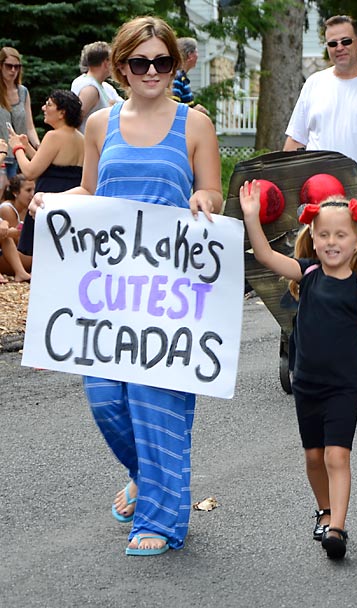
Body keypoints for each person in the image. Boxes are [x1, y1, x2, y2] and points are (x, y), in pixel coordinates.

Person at [29, 16, 222, 556]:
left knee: (156, 405)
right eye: (141, 62)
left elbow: (211, 190)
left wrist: (206, 201)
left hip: (169, 291)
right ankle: (147, 477)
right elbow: (91, 191)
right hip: (108, 291)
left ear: (173, 65)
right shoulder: (99, 124)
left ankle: (159, 520)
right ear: (122, 67)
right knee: (105, 399)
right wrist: (57, 204)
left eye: (163, 61)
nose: (153, 71)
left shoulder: (196, 125)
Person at [239, 181, 357, 560]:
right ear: (313, 238)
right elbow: (266, 256)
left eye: (341, 234)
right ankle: (323, 509)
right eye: (324, 235)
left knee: (338, 456)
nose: (332, 242)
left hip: (343, 387)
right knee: (314, 457)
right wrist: (253, 217)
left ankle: (337, 525)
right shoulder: (307, 274)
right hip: (306, 384)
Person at [284, 14, 357, 172]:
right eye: (332, 44)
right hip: (319, 189)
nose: (339, 48)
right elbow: (296, 139)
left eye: (346, 41)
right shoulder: (313, 84)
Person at [8, 90, 84, 257]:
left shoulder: (54, 136)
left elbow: (29, 172)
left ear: (62, 113)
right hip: (72, 201)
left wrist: (17, 148)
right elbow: (49, 165)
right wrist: (27, 146)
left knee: (45, 256)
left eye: (49, 104)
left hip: (48, 200)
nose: (43, 108)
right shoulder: (80, 138)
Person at [0, 47, 40, 179]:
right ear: (1, 66)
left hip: (20, 156)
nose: (13, 70)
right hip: (2, 157)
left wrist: (38, 146)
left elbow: (29, 127)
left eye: (17, 67)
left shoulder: (23, 92)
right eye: (9, 66)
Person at [71, 41, 113, 133]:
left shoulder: (102, 85)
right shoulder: (90, 89)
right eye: (112, 60)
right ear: (106, 63)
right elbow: (72, 123)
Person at [0, 174, 33, 282]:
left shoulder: (27, 209)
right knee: (41, 259)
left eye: (34, 190)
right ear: (15, 193)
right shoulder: (7, 209)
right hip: (7, 252)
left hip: (11, 251)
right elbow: (18, 242)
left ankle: (21, 273)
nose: (33, 194)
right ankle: (21, 271)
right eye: (28, 190)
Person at [172, 37, 209, 115]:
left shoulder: (182, 77)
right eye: (196, 52)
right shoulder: (177, 77)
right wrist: (195, 111)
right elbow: (173, 109)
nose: (198, 55)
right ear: (190, 55)